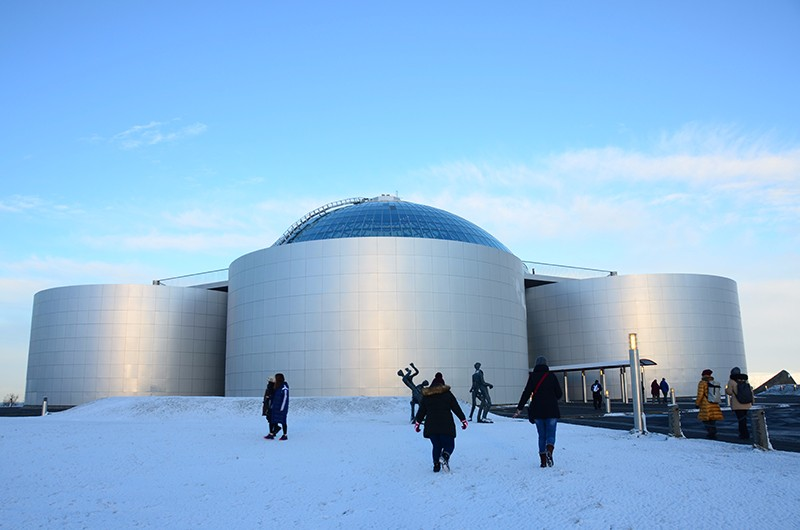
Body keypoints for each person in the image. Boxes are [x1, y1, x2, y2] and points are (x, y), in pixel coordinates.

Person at [514, 356, 562, 468]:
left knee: (541, 436)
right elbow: (559, 394)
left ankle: (543, 462)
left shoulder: (533, 377)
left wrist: (519, 408)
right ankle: (550, 450)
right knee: (551, 434)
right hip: (551, 410)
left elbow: (526, 393)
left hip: (538, 411)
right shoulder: (551, 376)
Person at [414, 372, 468, 473]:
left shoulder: (427, 396)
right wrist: (463, 419)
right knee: (449, 445)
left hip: (431, 426)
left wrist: (417, 423)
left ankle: (436, 465)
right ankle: (445, 456)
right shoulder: (447, 394)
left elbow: (421, 411)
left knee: (436, 446)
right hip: (446, 425)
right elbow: (456, 407)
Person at [695, 369, 723, 440]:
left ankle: (711, 433)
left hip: (706, 404)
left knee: (706, 420)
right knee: (713, 419)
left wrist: (697, 403)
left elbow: (700, 394)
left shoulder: (702, 383)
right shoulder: (714, 382)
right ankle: (713, 432)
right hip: (714, 403)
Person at [726, 367, 753, 439]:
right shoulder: (745, 380)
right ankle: (746, 433)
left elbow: (729, 392)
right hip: (746, 403)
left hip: (737, 403)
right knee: (744, 419)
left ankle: (743, 434)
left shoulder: (731, 381)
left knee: (741, 420)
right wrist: (752, 401)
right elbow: (750, 391)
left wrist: (726, 390)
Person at [266, 373, 289, 440]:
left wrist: (282, 408)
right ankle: (271, 434)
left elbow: (285, 397)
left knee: (283, 421)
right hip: (275, 407)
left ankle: (285, 435)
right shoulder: (276, 386)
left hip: (281, 408)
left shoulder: (284, 386)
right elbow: (273, 395)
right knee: (272, 420)